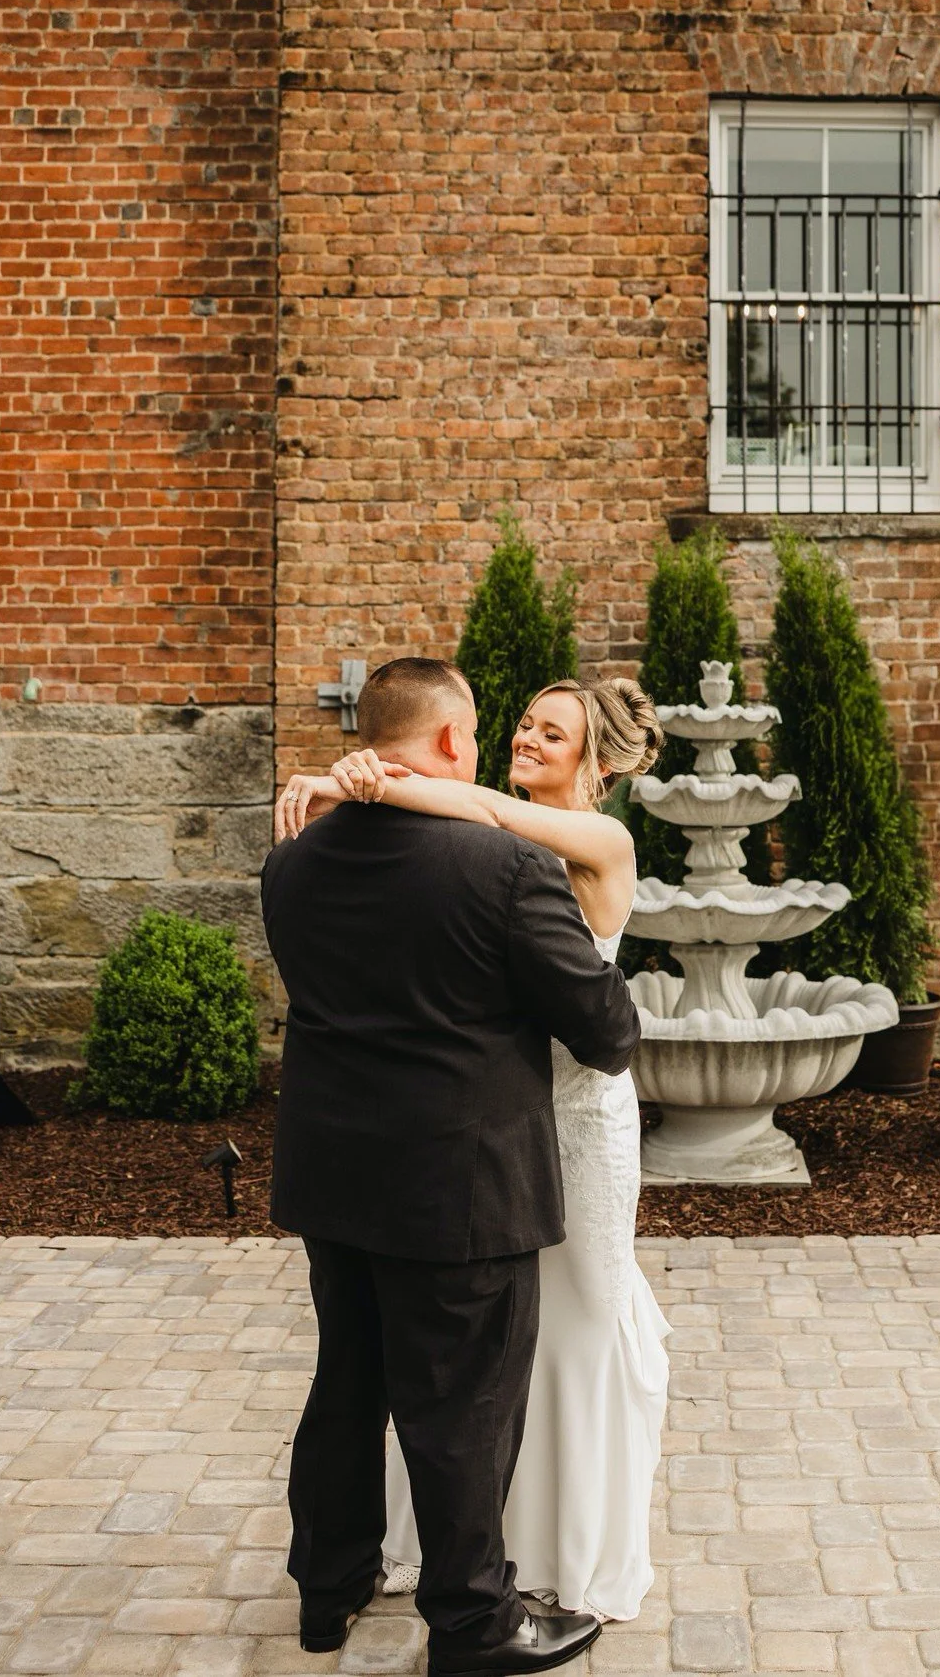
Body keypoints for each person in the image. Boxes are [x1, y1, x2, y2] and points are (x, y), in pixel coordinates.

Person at [263, 657, 642, 1677]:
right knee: (461, 1412)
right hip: (459, 1186)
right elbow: (606, 1029)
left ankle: (327, 1587)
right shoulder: (502, 868)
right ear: (444, 745)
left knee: (346, 1382)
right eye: (477, 734)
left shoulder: (292, 857)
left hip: (335, 1179)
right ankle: (473, 1623)